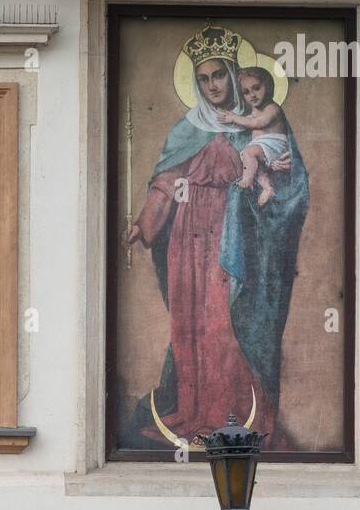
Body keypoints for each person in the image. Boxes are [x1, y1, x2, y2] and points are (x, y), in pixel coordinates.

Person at [124, 28, 309, 451]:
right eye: (204, 78)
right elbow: (167, 184)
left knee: (225, 320)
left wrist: (270, 188)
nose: (213, 86)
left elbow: (291, 183)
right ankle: (196, 411)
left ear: (233, 73)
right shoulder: (185, 129)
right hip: (188, 239)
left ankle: (239, 415)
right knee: (192, 322)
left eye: (219, 76)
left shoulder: (260, 121)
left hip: (235, 238)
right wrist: (142, 223)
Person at [218, 66, 290, 207]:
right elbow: (248, 121)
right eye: (246, 92)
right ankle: (267, 188)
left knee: (249, 153)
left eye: (256, 88)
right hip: (262, 148)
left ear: (267, 86)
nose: (252, 95)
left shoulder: (272, 108)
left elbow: (255, 122)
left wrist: (234, 118)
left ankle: (247, 180)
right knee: (254, 163)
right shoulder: (255, 110)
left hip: (274, 145)